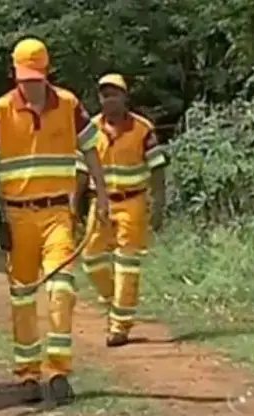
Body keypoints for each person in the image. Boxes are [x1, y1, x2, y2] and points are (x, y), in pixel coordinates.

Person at [0, 38, 110, 405]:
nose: (30, 84)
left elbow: (90, 149)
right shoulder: (0, 110)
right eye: (24, 78)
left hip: (58, 213)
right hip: (17, 217)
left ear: (46, 74)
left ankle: (59, 372)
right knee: (23, 296)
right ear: (14, 74)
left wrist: (101, 194)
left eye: (36, 77)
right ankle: (28, 375)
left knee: (62, 289)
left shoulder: (69, 105)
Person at [76, 73, 168, 347]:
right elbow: (80, 171)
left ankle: (120, 326)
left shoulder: (143, 129)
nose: (109, 99)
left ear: (125, 97)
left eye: (114, 93)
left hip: (133, 202)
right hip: (100, 202)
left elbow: (157, 168)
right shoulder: (90, 128)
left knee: (127, 264)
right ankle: (115, 302)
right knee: (91, 259)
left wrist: (159, 204)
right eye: (105, 94)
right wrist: (73, 205)